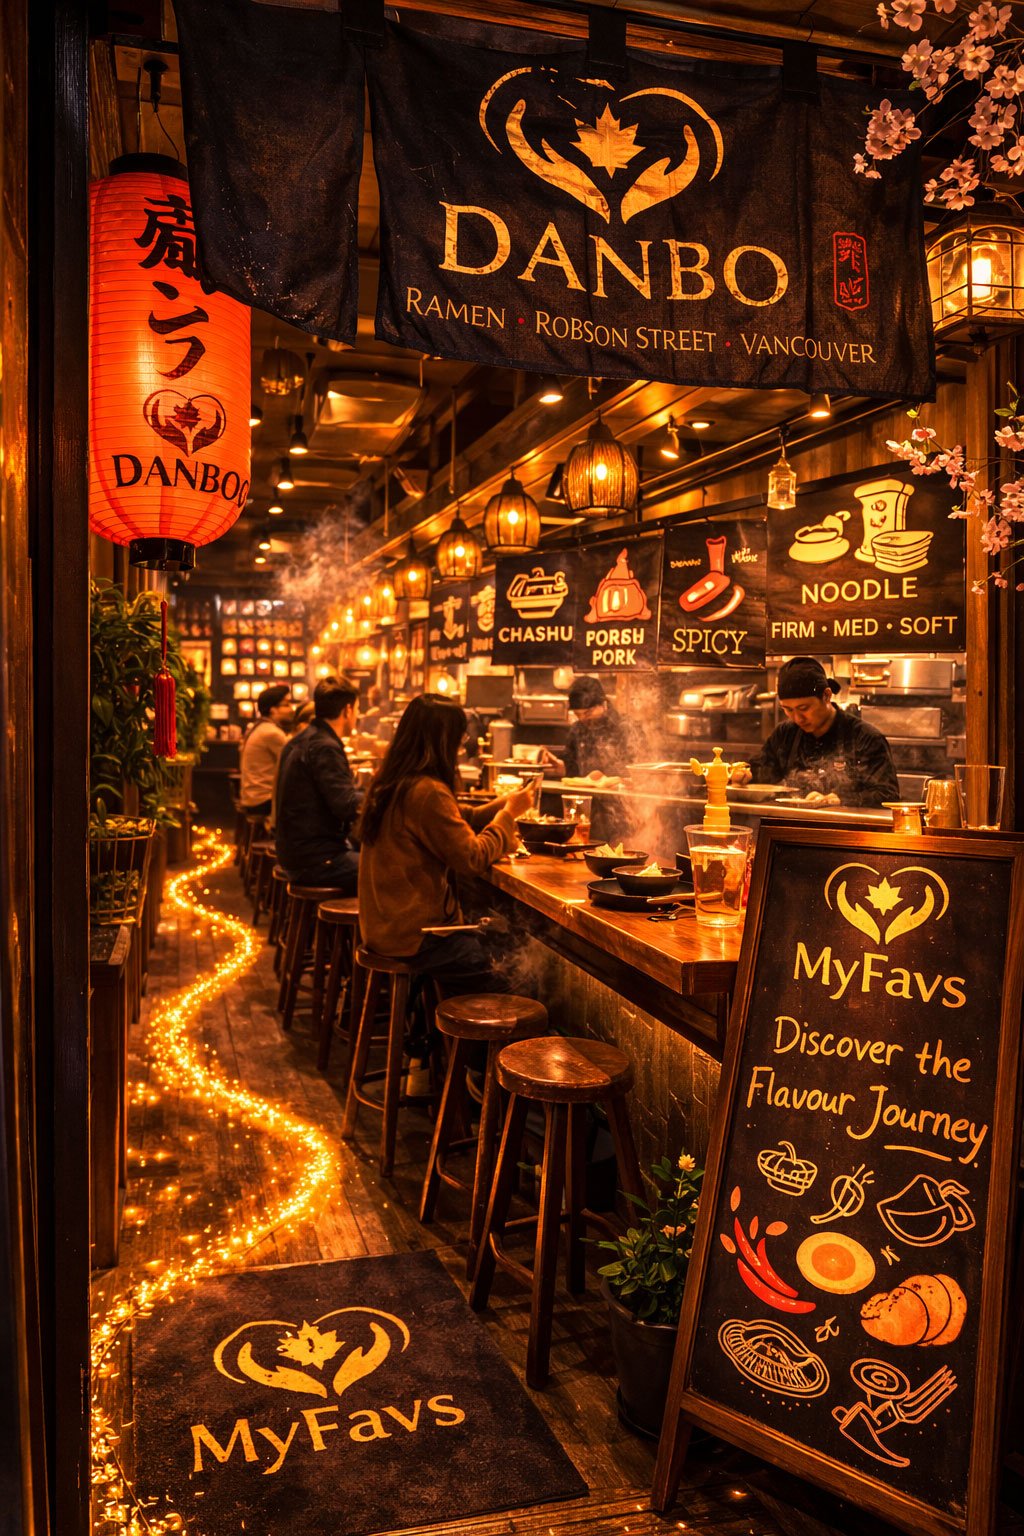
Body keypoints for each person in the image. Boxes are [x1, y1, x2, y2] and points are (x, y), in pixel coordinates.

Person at [357, 693, 537, 995]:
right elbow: (472, 858)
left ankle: (439, 1037)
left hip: (385, 928)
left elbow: (453, 818)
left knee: (497, 947)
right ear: (443, 739)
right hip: (417, 937)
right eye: (460, 735)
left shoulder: (395, 779)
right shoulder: (427, 791)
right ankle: (475, 1042)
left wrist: (504, 803)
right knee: (519, 977)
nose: (463, 743)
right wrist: (508, 816)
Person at [734, 656, 900, 807]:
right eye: (788, 710)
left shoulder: (865, 738)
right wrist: (745, 774)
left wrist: (839, 799)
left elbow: (887, 794)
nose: (797, 718)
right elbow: (763, 771)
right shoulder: (785, 734)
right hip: (791, 827)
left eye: (804, 708)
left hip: (848, 834)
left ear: (826, 696)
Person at [275, 676, 362, 893]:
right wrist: (381, 795)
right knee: (391, 871)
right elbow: (347, 806)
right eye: (358, 709)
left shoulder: (302, 739)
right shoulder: (326, 747)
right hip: (316, 860)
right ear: (348, 710)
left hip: (296, 853)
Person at [539, 676, 634, 781]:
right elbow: (573, 770)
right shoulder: (577, 730)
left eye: (588, 713)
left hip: (619, 796)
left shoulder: (626, 728)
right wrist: (562, 768)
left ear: (604, 704)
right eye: (578, 714)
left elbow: (639, 770)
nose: (583, 719)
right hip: (584, 795)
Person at [239, 684, 293, 816]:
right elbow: (294, 762)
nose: (291, 709)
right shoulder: (271, 733)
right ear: (273, 709)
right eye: (286, 705)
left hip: (253, 797)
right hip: (263, 800)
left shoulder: (260, 727)